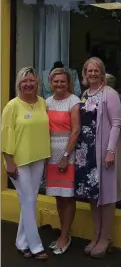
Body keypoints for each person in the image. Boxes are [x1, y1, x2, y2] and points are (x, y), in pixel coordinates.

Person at [75, 57, 121, 258]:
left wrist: (110, 150)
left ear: (102, 73)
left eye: (96, 70)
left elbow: (116, 123)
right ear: (85, 73)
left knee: (107, 196)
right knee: (93, 196)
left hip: (103, 152)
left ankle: (105, 238)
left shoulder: (109, 94)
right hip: (87, 151)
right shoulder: (85, 94)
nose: (92, 74)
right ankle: (96, 235)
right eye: (89, 70)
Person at [1, 67, 50, 260]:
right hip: (18, 161)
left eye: (32, 80)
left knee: (29, 201)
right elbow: (5, 135)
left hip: (38, 158)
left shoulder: (42, 103)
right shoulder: (12, 106)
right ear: (19, 84)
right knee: (29, 200)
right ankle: (36, 246)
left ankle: (21, 242)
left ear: (37, 83)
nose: (28, 84)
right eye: (24, 81)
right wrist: (8, 161)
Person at [45, 68, 81, 255]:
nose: (59, 84)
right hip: (51, 155)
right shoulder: (47, 102)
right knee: (58, 196)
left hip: (67, 154)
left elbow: (75, 131)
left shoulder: (74, 101)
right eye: (55, 81)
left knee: (67, 197)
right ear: (50, 83)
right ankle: (64, 233)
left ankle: (65, 236)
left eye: (63, 81)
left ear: (69, 83)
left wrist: (66, 156)